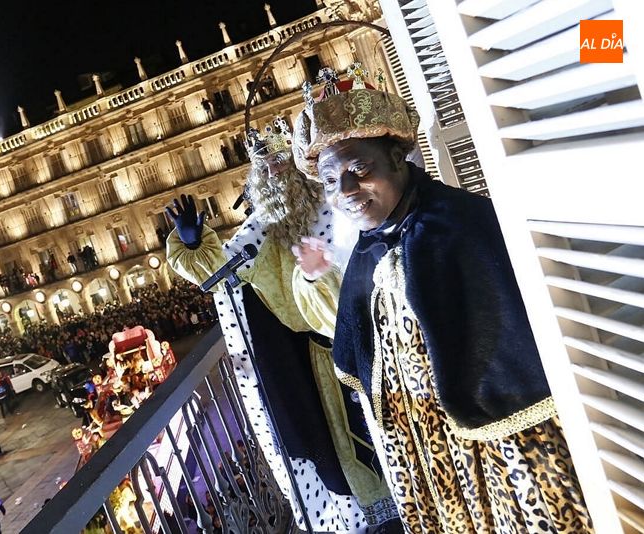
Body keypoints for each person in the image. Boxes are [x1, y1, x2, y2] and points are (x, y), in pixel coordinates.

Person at [291, 66, 594, 532]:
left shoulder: (462, 225)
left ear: (397, 158)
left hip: (502, 442)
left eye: (359, 169)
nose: (347, 191)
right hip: (421, 450)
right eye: (331, 182)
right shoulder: (367, 251)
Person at [165, 116, 397, 531]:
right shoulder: (262, 228)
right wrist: (194, 244)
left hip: (377, 333)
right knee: (347, 442)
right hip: (320, 357)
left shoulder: (340, 200)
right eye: (266, 168)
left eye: (281, 161)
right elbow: (222, 272)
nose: (276, 172)